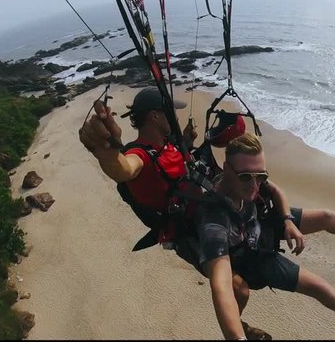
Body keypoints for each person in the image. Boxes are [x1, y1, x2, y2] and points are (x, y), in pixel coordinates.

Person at [78, 86, 270, 339]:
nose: (176, 118)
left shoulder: (168, 145)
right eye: (171, 113)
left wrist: (188, 142)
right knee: (240, 289)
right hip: (185, 230)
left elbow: (178, 165)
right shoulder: (140, 155)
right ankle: (238, 329)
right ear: (155, 117)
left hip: (207, 210)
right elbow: (124, 168)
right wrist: (106, 153)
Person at [195, 132, 335, 340]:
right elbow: (221, 285)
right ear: (227, 169)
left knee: (326, 216)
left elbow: (275, 191)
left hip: (261, 224)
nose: (254, 185)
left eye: (261, 176)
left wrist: (288, 220)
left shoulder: (249, 181)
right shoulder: (213, 220)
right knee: (319, 287)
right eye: (246, 177)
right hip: (248, 255)